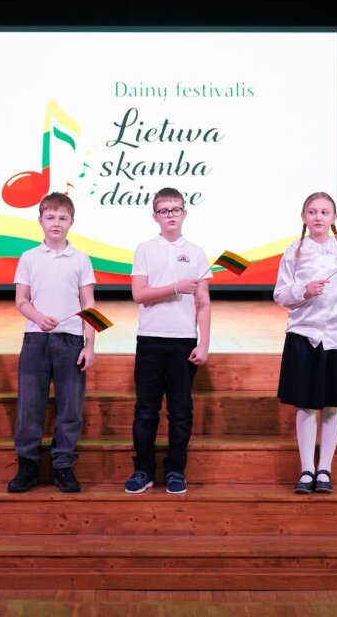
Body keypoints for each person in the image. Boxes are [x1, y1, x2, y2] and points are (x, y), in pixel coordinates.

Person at [273, 192, 337, 494]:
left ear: (334, 217)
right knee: (306, 406)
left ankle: (324, 469)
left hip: (335, 338)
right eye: (312, 212)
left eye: (325, 212)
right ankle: (306, 470)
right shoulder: (294, 251)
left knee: (332, 406)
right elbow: (280, 295)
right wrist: (304, 289)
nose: (318, 217)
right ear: (303, 217)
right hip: (303, 335)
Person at [7, 192, 97, 493]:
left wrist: (89, 344)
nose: (56, 223)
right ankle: (27, 466)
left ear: (71, 222)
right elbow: (21, 299)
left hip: (71, 340)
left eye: (62, 218)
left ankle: (63, 466)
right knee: (30, 406)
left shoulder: (81, 259)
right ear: (40, 221)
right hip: (36, 340)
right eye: (50, 217)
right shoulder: (29, 257)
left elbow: (88, 303)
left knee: (70, 407)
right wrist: (37, 316)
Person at [124, 187, 212, 495]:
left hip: (183, 341)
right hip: (150, 339)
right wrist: (176, 287)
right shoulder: (145, 249)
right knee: (146, 410)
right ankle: (143, 470)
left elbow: (203, 303)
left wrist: (203, 343)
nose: (170, 215)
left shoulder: (197, 252)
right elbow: (139, 294)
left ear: (184, 213)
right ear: (155, 216)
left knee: (180, 410)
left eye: (176, 210)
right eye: (164, 211)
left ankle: (176, 470)